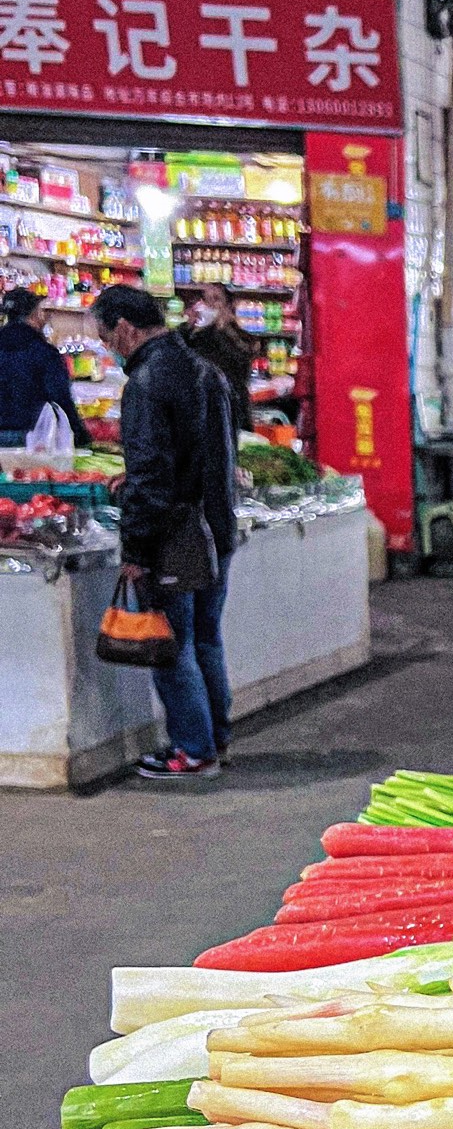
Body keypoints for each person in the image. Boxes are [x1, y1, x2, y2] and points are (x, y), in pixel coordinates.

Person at [93, 282, 236, 780]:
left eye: (107, 337)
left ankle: (193, 750)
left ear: (126, 329)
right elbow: (203, 454)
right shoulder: (204, 371)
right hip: (216, 524)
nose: (108, 348)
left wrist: (136, 546)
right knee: (205, 640)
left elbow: (155, 475)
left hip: (175, 533)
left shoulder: (149, 381)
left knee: (170, 645)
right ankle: (215, 738)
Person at [0, 286, 89, 449]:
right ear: (35, 314)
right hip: (32, 437)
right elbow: (60, 398)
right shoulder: (44, 352)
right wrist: (80, 436)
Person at [180, 283, 257, 434]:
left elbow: (243, 358)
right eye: (205, 300)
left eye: (215, 300)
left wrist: (222, 328)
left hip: (232, 409)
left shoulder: (240, 336)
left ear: (229, 305)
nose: (209, 306)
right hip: (201, 409)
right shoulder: (196, 334)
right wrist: (189, 328)